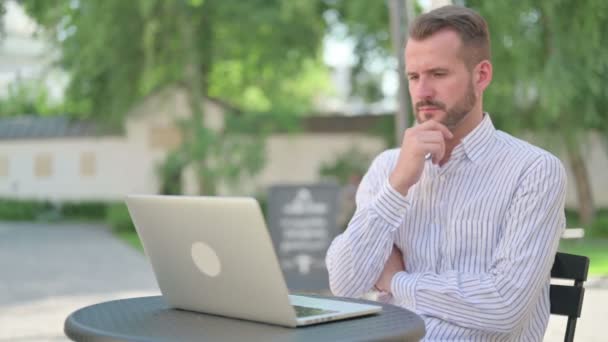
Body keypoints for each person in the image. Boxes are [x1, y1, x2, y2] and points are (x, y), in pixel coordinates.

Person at [325, 5, 566, 341]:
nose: (422, 91)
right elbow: (345, 284)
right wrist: (397, 187)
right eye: (413, 76)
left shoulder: (533, 171)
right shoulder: (389, 168)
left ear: (481, 75)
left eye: (438, 74)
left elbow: (504, 306)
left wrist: (396, 281)